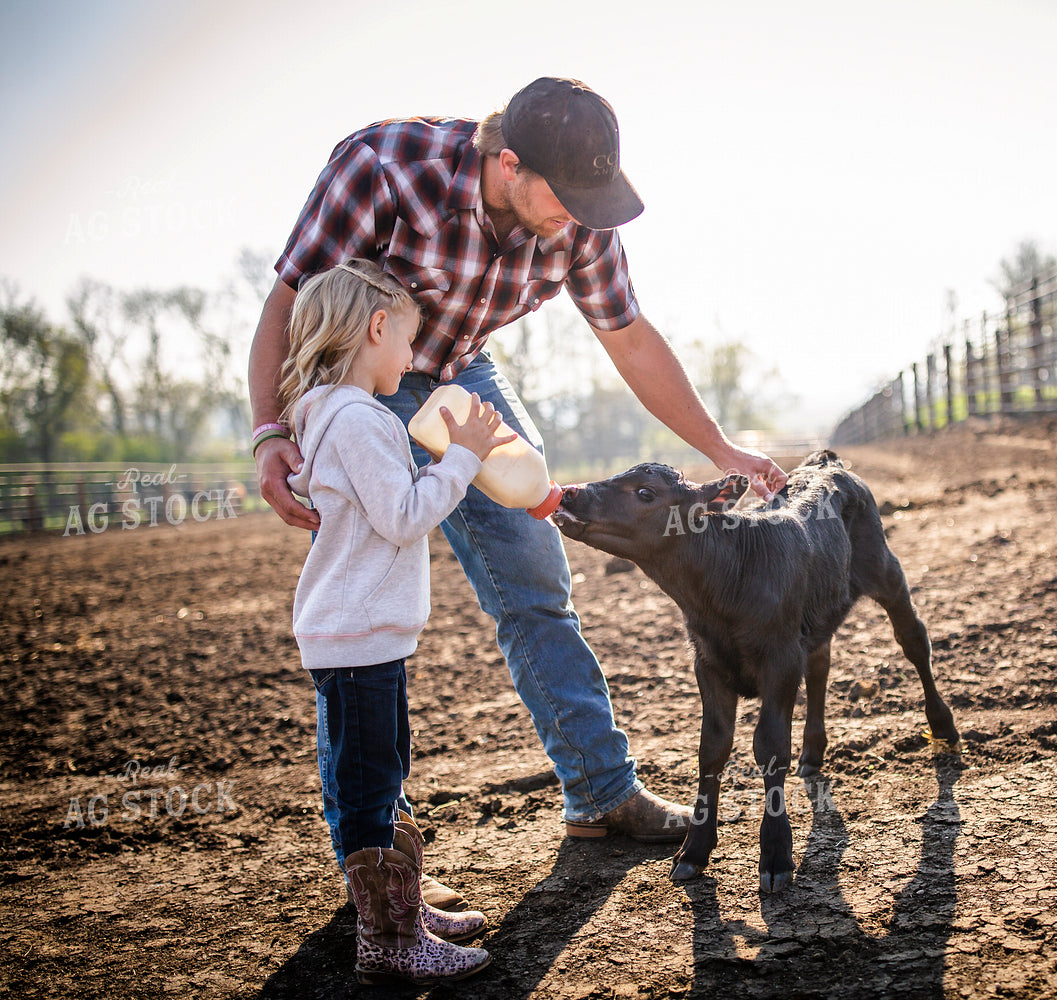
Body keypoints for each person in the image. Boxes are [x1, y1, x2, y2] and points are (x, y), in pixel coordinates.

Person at [249, 78, 789, 860]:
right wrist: (271, 431)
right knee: (368, 600)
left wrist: (721, 450)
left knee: (536, 579)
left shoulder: (581, 216)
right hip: (365, 389)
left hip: (461, 374)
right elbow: (289, 303)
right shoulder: (384, 168)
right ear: (508, 165)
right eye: (567, 197)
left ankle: (601, 793)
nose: (582, 215)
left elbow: (629, 337)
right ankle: (377, 854)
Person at [280, 259, 508, 984]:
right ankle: (388, 940)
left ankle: (401, 911)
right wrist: (464, 458)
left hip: (358, 633)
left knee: (379, 773)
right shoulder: (359, 418)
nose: (412, 360)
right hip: (358, 633)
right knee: (372, 783)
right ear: (377, 328)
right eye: (408, 342)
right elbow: (404, 515)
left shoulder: (324, 415)